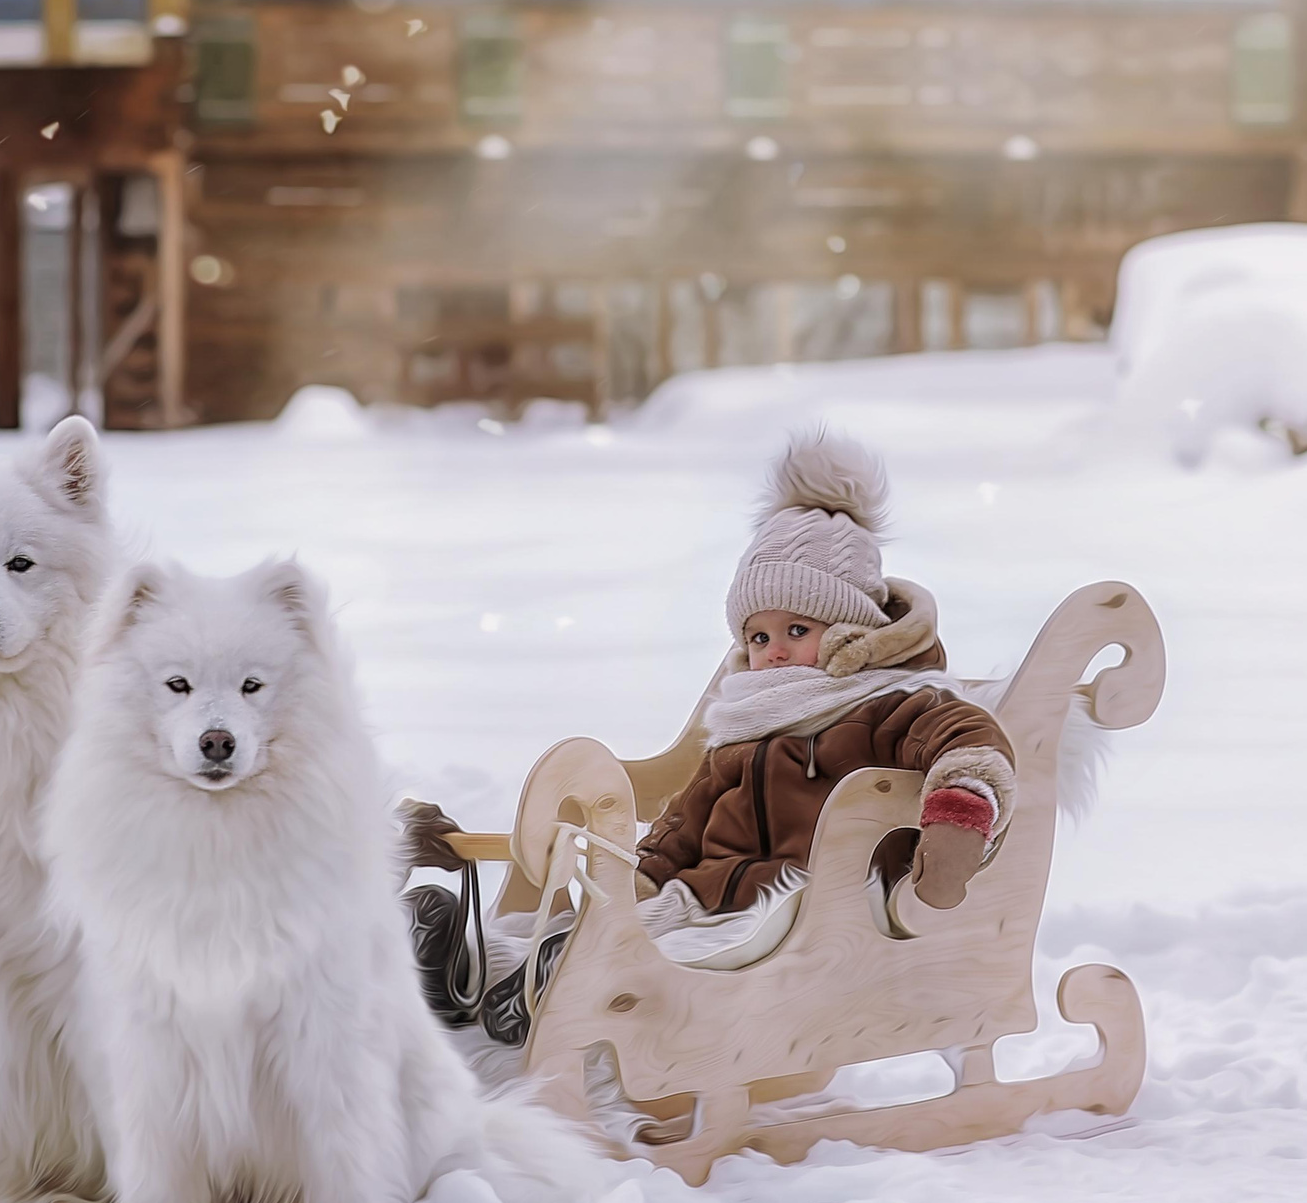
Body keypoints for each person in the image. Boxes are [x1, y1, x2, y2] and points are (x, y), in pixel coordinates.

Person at [404, 430, 1016, 1044]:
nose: (773, 653)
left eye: (796, 629)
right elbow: (684, 826)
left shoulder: (888, 704)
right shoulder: (740, 730)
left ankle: (567, 982)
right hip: (702, 896)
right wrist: (637, 885)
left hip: (807, 914)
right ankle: (479, 973)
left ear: (850, 629)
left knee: (685, 952)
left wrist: (954, 824)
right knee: (630, 926)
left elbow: (968, 741)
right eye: (756, 638)